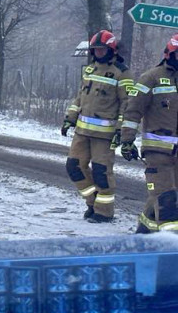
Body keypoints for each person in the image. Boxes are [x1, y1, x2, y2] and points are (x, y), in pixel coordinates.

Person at [60, 30, 133, 223]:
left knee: (101, 173)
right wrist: (70, 117)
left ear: (111, 50)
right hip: (82, 132)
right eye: (95, 50)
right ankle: (92, 202)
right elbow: (80, 97)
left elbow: (128, 104)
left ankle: (104, 212)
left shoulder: (122, 73)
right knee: (74, 167)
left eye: (102, 50)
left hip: (105, 135)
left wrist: (121, 130)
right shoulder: (90, 69)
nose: (98, 53)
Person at [119, 33, 178, 233]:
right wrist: (127, 139)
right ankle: (172, 247)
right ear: (170, 54)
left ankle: (143, 234)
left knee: (161, 201)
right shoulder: (151, 78)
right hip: (157, 153)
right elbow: (133, 110)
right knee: (167, 200)